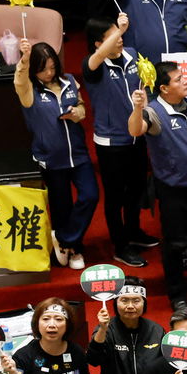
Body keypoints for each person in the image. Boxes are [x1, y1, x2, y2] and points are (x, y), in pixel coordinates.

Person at [127, 61, 187, 310]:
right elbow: (136, 130)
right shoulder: (154, 112)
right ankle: (178, 296)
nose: (185, 81)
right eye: (178, 79)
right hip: (173, 190)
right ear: (163, 88)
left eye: (183, 77)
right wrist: (137, 108)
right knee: (175, 245)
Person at [14, 38, 97, 269]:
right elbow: (19, 78)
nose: (49, 73)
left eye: (52, 67)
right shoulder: (29, 90)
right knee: (62, 207)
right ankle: (75, 251)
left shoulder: (69, 80)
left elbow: (81, 107)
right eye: (43, 69)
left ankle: (64, 239)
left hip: (78, 154)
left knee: (90, 195)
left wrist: (76, 113)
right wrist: (25, 58)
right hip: (51, 158)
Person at [81, 14, 155, 269]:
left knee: (136, 189)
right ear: (98, 43)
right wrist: (119, 30)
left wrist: (145, 107)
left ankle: (133, 231)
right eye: (112, 36)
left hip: (136, 135)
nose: (119, 39)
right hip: (111, 142)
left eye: (120, 33)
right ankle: (120, 246)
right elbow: (98, 56)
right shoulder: (93, 65)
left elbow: (143, 86)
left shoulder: (132, 55)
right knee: (115, 197)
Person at [84, 279, 160, 374]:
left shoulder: (156, 330)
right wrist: (102, 329)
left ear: (144, 303)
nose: (130, 306)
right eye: (124, 300)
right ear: (115, 302)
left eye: (136, 301)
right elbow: (93, 360)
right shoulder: (106, 330)